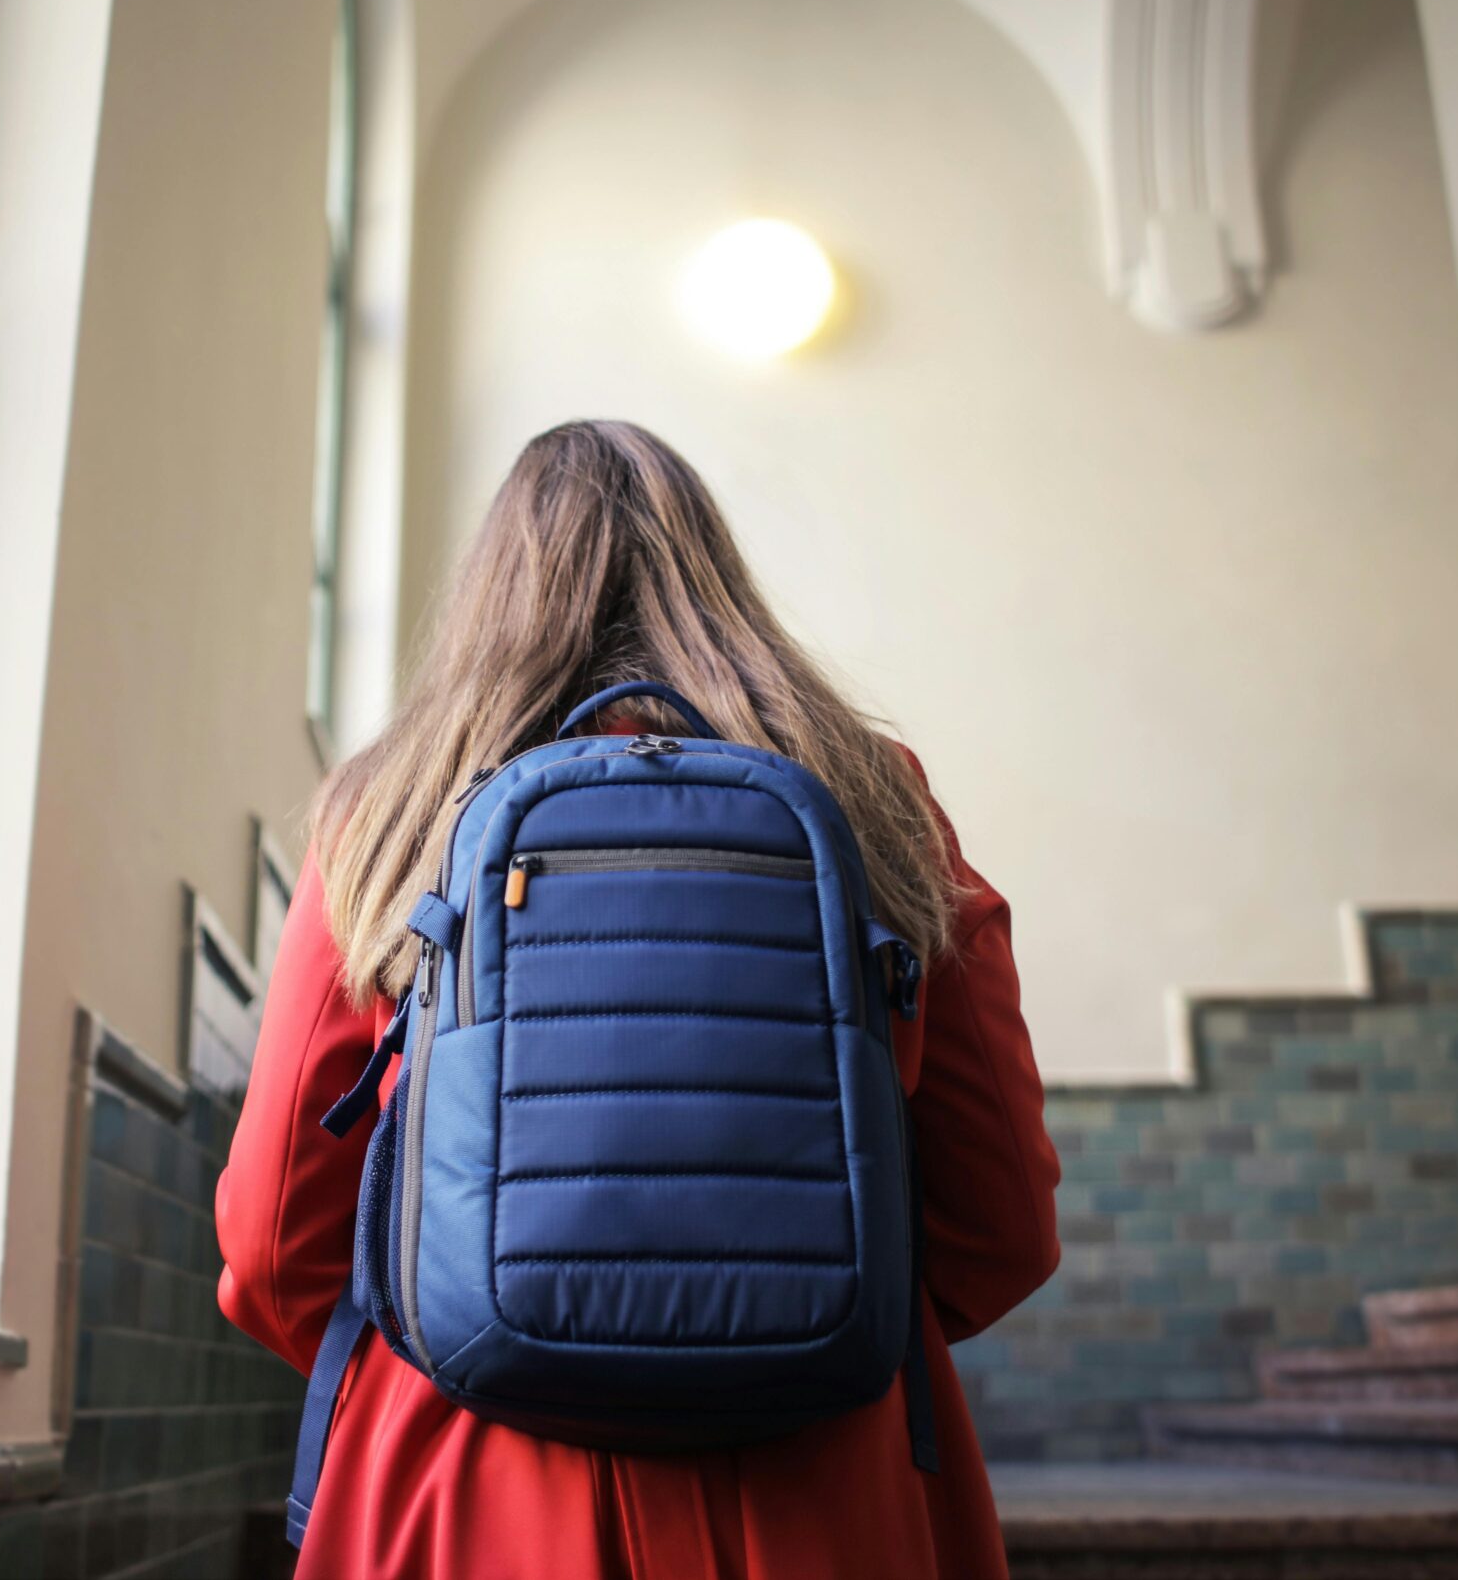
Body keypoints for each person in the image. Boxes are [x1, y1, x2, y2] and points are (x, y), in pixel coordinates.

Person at [217, 419, 1062, 1578]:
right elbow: (1002, 1222)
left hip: (461, 1482)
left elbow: (274, 1245)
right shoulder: (872, 797)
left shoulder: (388, 811)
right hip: (822, 1484)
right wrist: (796, 1326)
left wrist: (476, 1335)